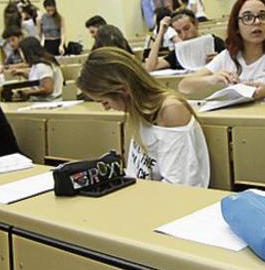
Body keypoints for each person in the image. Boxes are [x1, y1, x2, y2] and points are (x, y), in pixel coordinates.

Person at [77, 47, 210, 188]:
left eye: (105, 102)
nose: (106, 108)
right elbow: (136, 172)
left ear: (123, 90)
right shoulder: (139, 111)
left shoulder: (170, 111)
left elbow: (179, 185)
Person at [178, 0, 265, 101]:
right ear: (237, 26)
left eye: (262, 16)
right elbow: (184, 86)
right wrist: (212, 79)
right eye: (248, 17)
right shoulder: (228, 56)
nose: (257, 22)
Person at [144, 10, 226, 72]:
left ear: (196, 24)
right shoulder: (179, 52)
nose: (183, 35)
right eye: (178, 32)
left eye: (186, 28)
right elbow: (150, 67)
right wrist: (161, 32)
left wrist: (219, 61)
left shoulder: (214, 42)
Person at [14, 37, 64, 101]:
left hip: (48, 102)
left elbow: (48, 89)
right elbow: (40, 79)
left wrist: (28, 93)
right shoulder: (40, 63)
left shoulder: (42, 66)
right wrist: (23, 73)